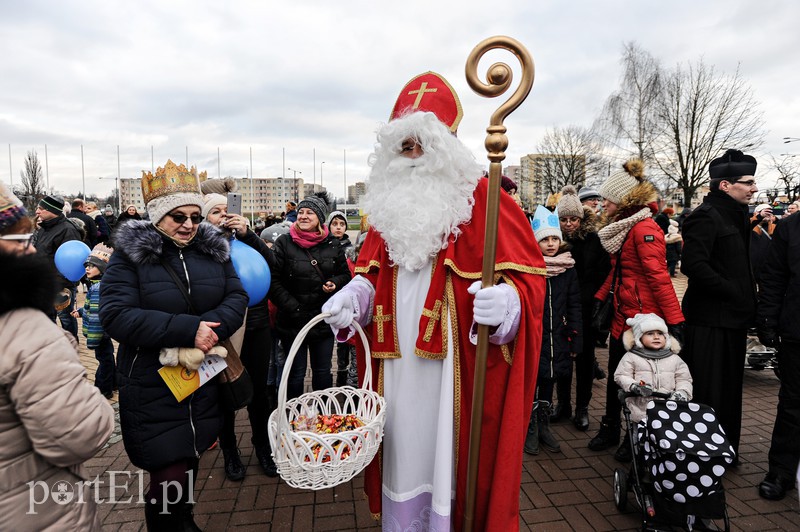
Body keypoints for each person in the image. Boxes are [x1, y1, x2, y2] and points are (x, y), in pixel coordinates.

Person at [321, 71, 546, 531]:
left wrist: (508, 305)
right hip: (396, 367)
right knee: (402, 449)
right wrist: (354, 296)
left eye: (422, 144)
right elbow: (374, 275)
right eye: (404, 147)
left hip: (453, 369)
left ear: (446, 146)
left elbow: (532, 282)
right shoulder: (385, 209)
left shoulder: (486, 198)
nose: (413, 156)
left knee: (450, 455)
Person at [99, 160, 248, 529]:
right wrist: (189, 329)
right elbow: (116, 315)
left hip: (201, 378)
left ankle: (186, 520)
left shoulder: (213, 250)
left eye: (196, 217)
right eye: (178, 216)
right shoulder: (129, 256)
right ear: (157, 216)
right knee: (168, 472)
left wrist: (211, 330)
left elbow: (237, 295)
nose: (189, 225)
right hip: (153, 383)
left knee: (193, 455)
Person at [0, 182, 115, 529]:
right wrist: (63, 356)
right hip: (34, 508)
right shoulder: (25, 331)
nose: (31, 251)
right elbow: (81, 434)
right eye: (21, 241)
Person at [588, 159, 685, 463]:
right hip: (624, 315)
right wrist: (600, 297)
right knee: (621, 375)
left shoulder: (644, 230)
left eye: (606, 199)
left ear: (622, 200)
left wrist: (674, 320)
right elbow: (618, 273)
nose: (602, 204)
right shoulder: (624, 228)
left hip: (641, 320)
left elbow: (659, 278)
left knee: (641, 383)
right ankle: (611, 427)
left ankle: (636, 438)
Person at [680, 148, 758, 460]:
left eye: (755, 182)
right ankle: (704, 453)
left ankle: (725, 449)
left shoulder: (738, 215)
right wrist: (734, 291)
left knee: (729, 390)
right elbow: (694, 266)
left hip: (734, 320)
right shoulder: (705, 216)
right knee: (709, 390)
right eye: (748, 182)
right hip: (709, 321)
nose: (754, 187)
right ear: (725, 185)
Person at [201, 185, 278, 481]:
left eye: (226, 210)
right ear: (205, 219)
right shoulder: (200, 247)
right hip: (222, 328)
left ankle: (262, 448)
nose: (223, 216)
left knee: (259, 391)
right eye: (215, 212)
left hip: (257, 321)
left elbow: (271, 267)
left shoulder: (247, 240)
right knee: (225, 390)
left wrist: (249, 234)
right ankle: (230, 452)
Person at [269, 192, 351, 400]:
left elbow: (345, 275)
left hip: (322, 320)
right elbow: (274, 281)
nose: (303, 216)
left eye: (310, 213)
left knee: (323, 372)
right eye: (301, 212)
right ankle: (294, 416)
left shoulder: (332, 244)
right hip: (291, 320)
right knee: (295, 374)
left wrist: (335, 283)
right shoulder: (284, 243)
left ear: (320, 219)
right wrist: (294, 308)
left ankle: (323, 415)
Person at [551, 185, 610, 431]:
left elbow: (602, 273)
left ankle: (582, 408)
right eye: (563, 219)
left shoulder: (594, 240)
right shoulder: (555, 240)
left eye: (573, 219)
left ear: (581, 218)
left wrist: (595, 301)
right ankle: (563, 405)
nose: (568, 224)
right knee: (562, 358)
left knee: (585, 361)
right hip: (560, 308)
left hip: (585, 310)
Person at [524, 206, 581, 455]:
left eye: (554, 238)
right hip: (533, 336)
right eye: (545, 239)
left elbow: (575, 304)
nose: (550, 244)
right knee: (532, 380)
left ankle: (544, 423)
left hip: (557, 336)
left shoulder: (567, 269)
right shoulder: (529, 268)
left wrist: (575, 338)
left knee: (550, 378)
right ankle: (530, 426)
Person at [755, 207, 800, 500]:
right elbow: (773, 278)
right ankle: (781, 471)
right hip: (797, 331)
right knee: (793, 404)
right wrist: (768, 321)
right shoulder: (790, 227)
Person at [613, 313, 693, 458]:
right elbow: (620, 376)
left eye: (660, 334)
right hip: (640, 411)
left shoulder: (674, 359)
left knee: (666, 442)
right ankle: (641, 465)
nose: (656, 337)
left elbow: (684, 379)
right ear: (639, 337)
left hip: (668, 411)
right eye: (650, 333)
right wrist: (634, 386)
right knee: (640, 443)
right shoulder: (632, 357)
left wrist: (682, 392)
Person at [32, 194, 82, 340]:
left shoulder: (68, 230)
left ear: (51, 210)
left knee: (66, 318)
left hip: (61, 285)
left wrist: (60, 285)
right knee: (47, 319)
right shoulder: (43, 229)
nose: (37, 212)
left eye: (41, 208)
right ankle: (53, 348)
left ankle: (72, 346)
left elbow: (72, 260)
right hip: (44, 283)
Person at [71, 243, 117, 399]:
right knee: (108, 357)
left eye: (92, 266)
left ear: (103, 268)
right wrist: (81, 311)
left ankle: (103, 389)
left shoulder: (97, 288)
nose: (87, 269)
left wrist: (92, 339)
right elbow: (94, 308)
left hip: (99, 333)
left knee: (104, 360)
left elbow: (97, 317)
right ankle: (114, 383)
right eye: (87, 265)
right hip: (104, 332)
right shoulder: (99, 285)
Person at [326, 209, 357, 387]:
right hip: (330, 299)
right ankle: (339, 372)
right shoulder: (324, 246)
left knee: (347, 341)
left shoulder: (350, 250)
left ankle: (345, 379)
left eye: (342, 224)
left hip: (347, 302)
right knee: (335, 342)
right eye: (335, 224)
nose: (338, 227)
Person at [750, 203, 776, 286]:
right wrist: (758, 217)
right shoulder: (749, 226)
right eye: (765, 211)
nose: (767, 214)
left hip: (768, 269)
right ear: (756, 213)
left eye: (770, 212)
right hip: (752, 268)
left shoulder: (775, 227)